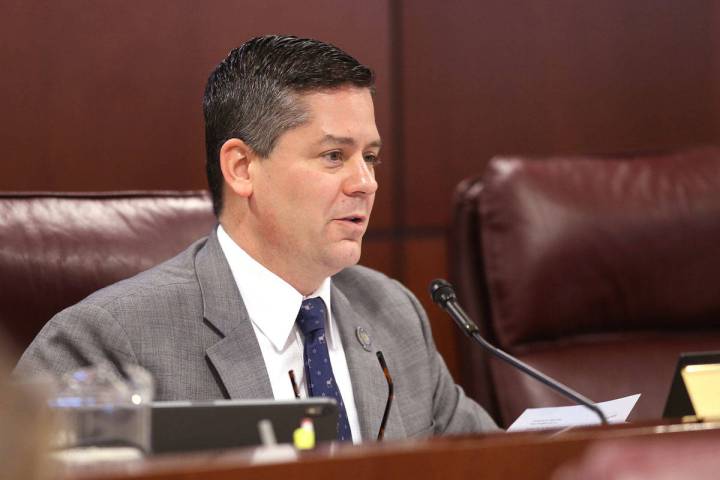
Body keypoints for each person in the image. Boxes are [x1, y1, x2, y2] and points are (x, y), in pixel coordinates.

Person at [16, 35, 498, 441]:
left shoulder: (392, 312)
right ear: (242, 168)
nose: (365, 182)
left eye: (369, 157)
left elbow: (495, 466)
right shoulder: (109, 341)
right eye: (334, 156)